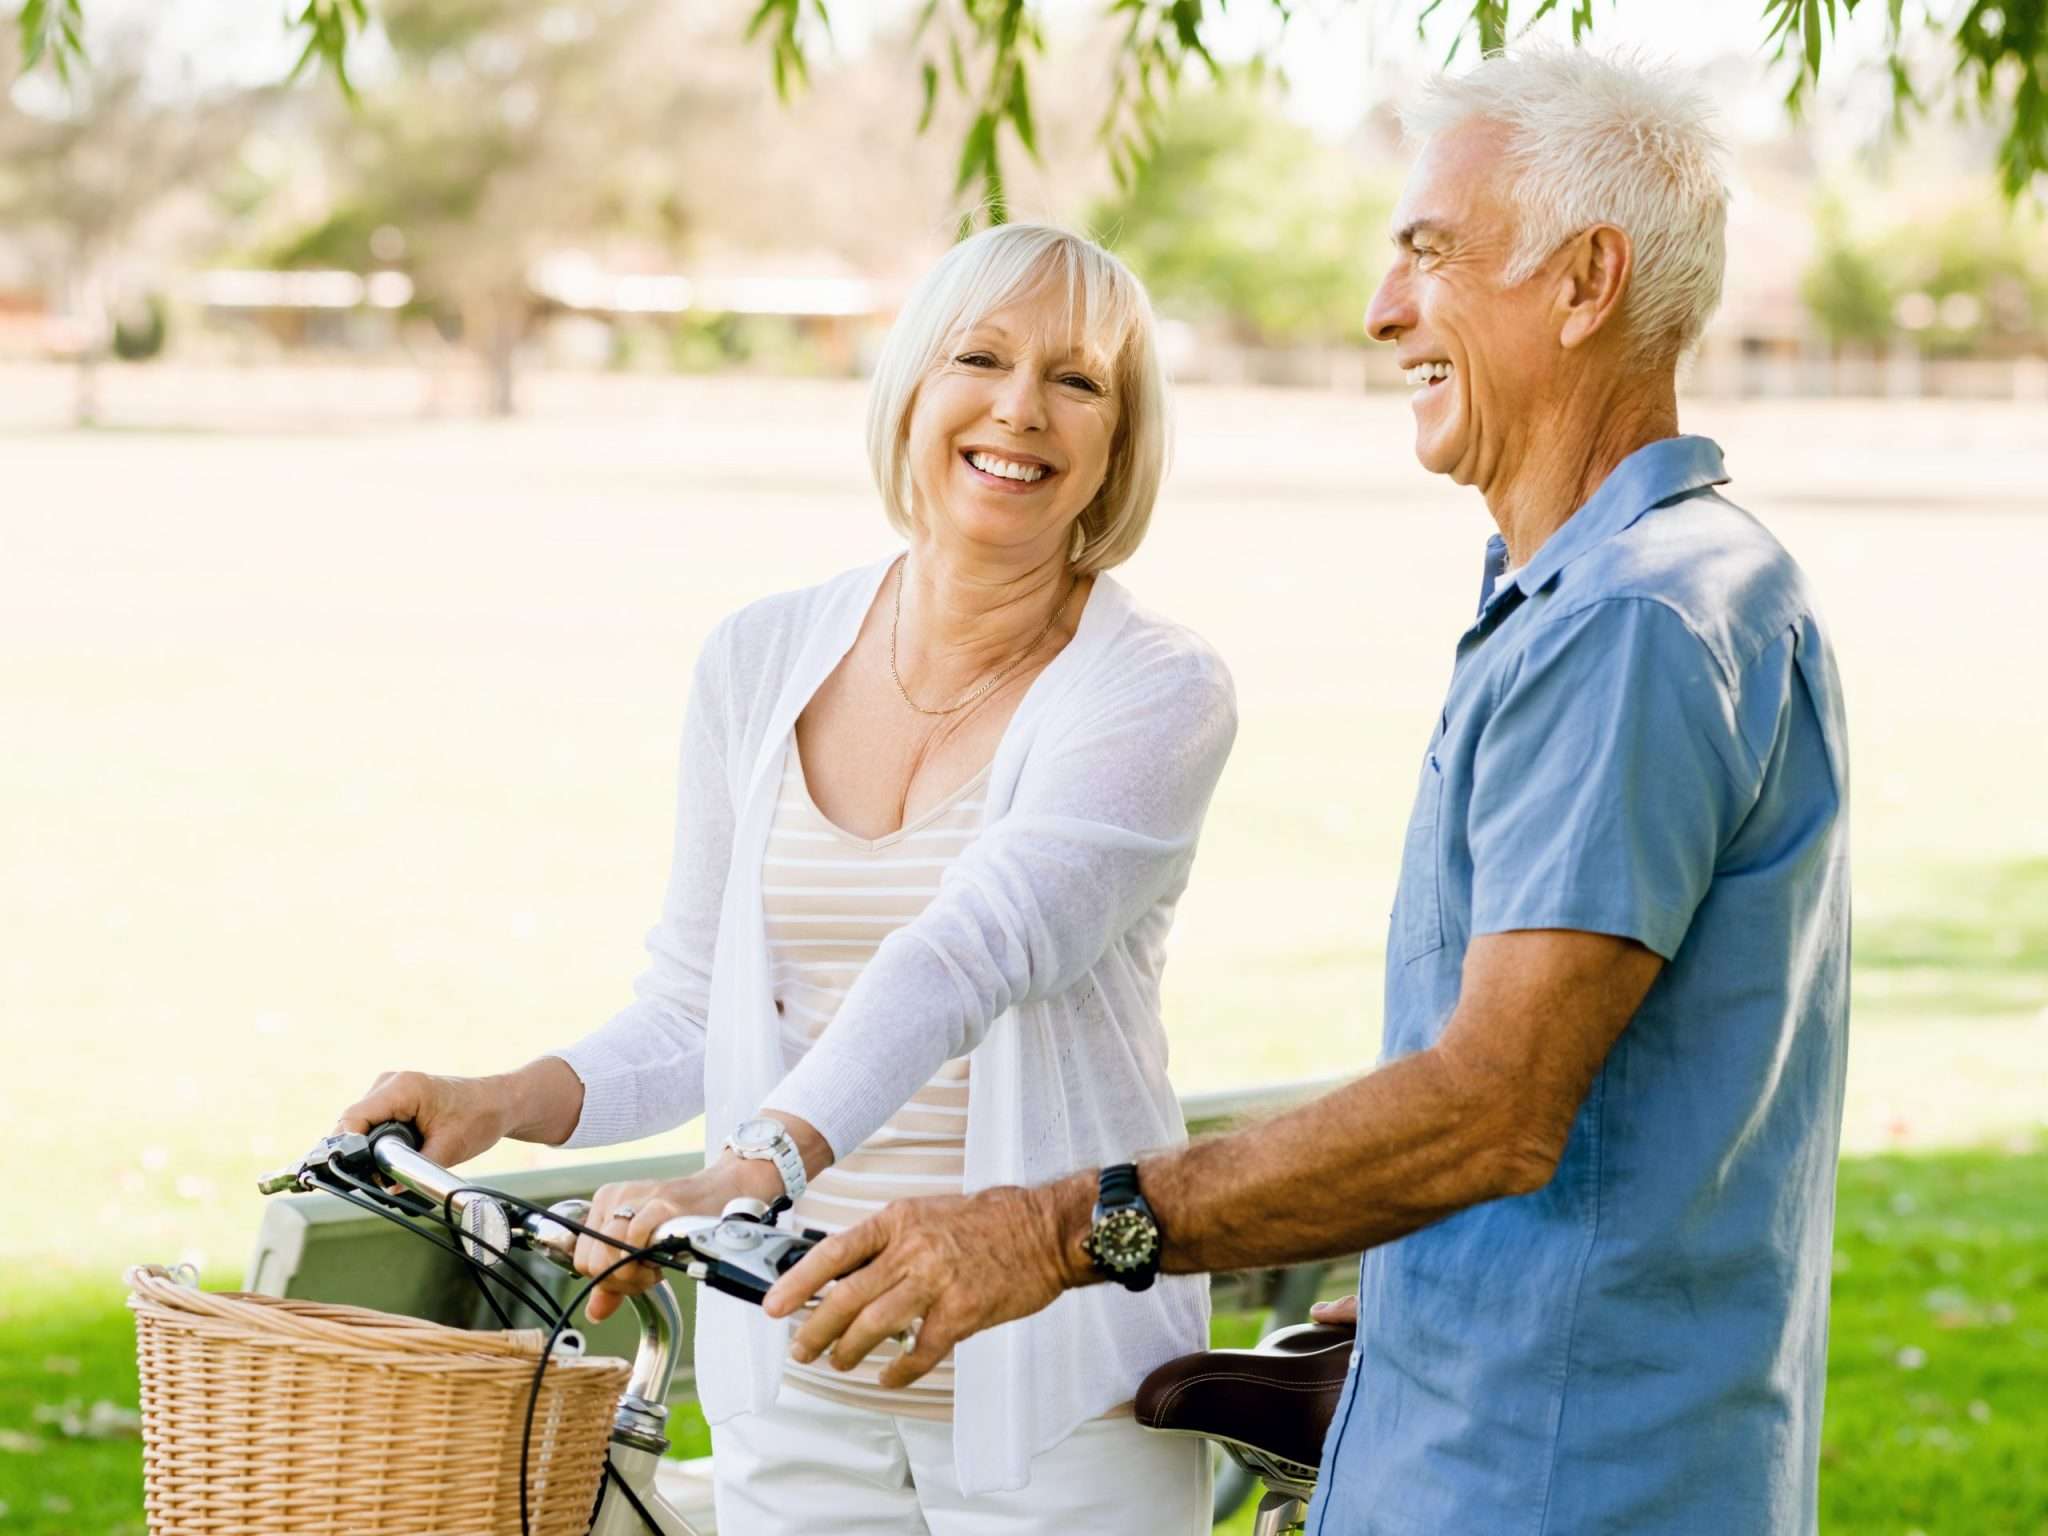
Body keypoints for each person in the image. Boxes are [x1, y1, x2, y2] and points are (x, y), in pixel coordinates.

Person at [766, 49, 1852, 1536]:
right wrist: (1399, 1275)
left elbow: (1493, 1111)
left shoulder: (1629, 625)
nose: (1382, 307)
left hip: (1546, 1482)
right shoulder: (1664, 589)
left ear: (1588, 281)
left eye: (1429, 253)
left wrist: (1055, 1229)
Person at [337, 223, 1236, 1532]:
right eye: (979, 358)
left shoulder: (1154, 689)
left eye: (1077, 380)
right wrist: (504, 1099)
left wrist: (750, 1167)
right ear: (913, 390)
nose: (1020, 409)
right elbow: (699, 1009)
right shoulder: (760, 661)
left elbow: (972, 947)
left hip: (1055, 1405)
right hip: (800, 1379)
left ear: (1117, 439)